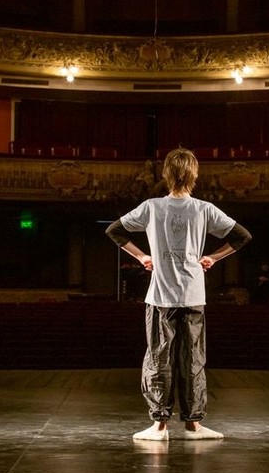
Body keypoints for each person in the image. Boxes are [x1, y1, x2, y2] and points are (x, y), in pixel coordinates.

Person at [106, 148, 252, 442]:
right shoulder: (203, 208)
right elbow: (242, 236)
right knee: (193, 359)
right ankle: (193, 425)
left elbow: (114, 231)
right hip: (193, 294)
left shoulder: (152, 207)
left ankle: (160, 426)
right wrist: (213, 257)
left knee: (159, 359)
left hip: (160, 297)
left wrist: (141, 257)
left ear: (166, 175)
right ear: (194, 175)